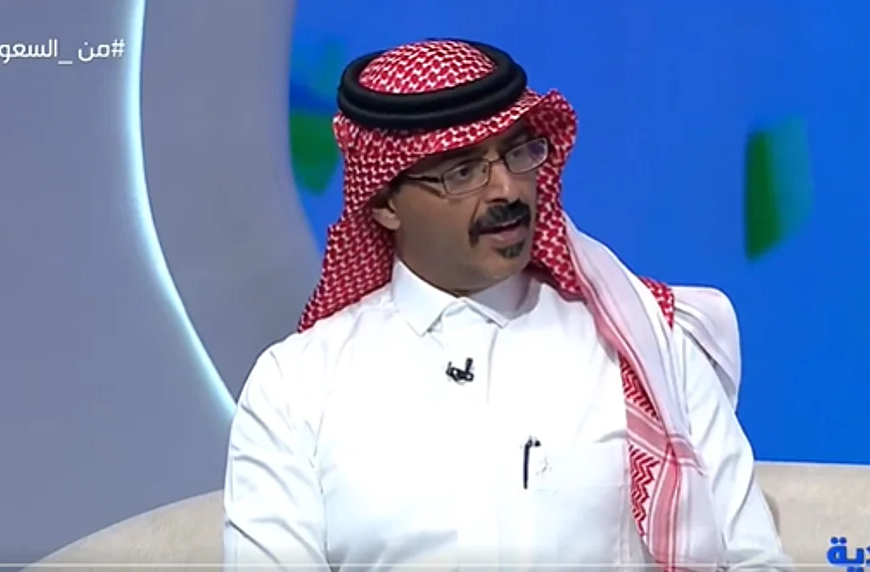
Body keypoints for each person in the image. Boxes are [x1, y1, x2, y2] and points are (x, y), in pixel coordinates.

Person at [223, 38, 789, 571]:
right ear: (386, 204)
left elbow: (753, 559)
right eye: (464, 171)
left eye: (518, 155)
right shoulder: (296, 387)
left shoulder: (647, 345)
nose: (509, 190)